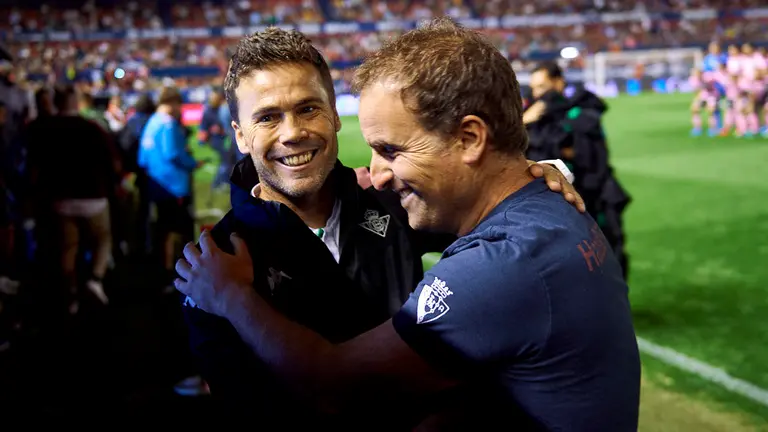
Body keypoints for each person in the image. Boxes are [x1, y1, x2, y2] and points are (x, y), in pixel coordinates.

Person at [177, 18, 640, 431]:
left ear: (336, 115)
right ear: (239, 135)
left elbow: (481, 198)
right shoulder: (215, 263)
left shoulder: (395, 203)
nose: (292, 131)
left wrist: (536, 169)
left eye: (308, 108)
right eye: (267, 117)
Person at [524, 61, 631, 280]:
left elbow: (590, 159)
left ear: (559, 82)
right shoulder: (531, 118)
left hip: (593, 201)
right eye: (535, 88)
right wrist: (524, 121)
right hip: (556, 209)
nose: (538, 94)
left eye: (543, 87)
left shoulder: (581, 114)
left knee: (606, 258)